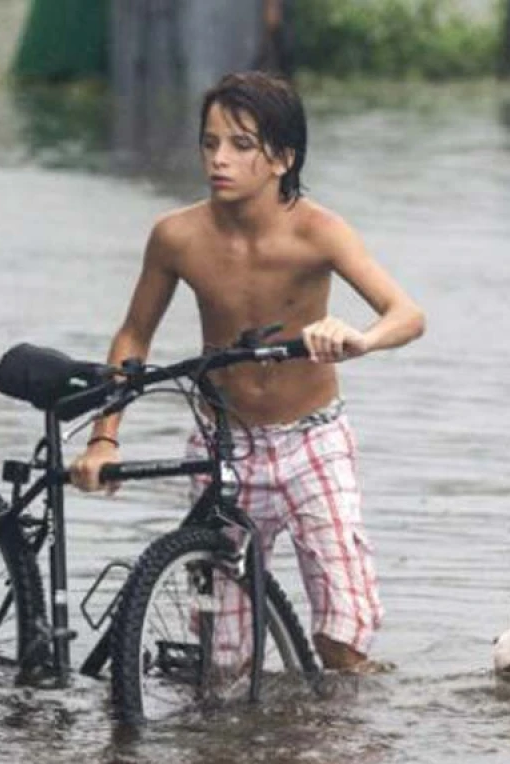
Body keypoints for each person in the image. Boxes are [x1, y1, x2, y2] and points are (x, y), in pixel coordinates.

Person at [70, 71, 425, 673]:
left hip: (312, 443)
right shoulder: (177, 236)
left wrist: (358, 339)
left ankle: (340, 722)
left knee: (342, 644)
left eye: (240, 146)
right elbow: (134, 336)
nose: (219, 160)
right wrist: (105, 438)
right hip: (222, 444)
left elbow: (407, 315)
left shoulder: (320, 232)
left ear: (282, 159)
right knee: (225, 662)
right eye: (210, 144)